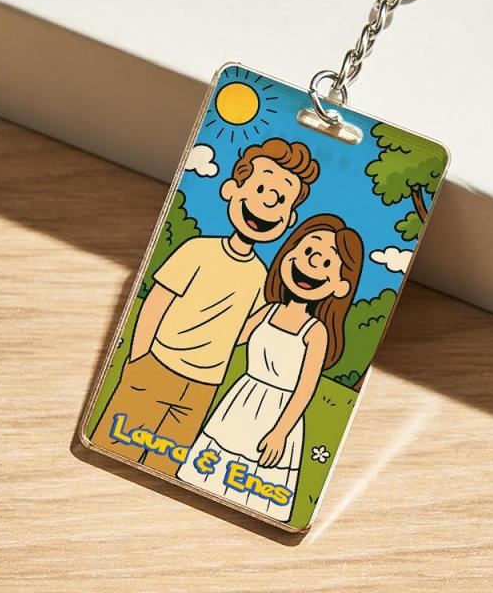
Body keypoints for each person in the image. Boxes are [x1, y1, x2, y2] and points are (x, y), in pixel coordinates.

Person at [90, 138, 319, 475]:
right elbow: (156, 302)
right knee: (115, 444)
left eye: (280, 199)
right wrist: (138, 359)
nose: (268, 203)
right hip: (158, 366)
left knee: (166, 466)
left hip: (204, 387)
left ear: (289, 219)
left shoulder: (261, 275)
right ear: (231, 190)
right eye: (260, 189)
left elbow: (245, 332)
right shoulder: (198, 250)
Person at [177, 214, 363, 521]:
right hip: (241, 401)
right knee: (211, 467)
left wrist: (280, 432)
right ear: (288, 253)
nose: (312, 263)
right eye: (308, 251)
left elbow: (305, 389)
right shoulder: (269, 311)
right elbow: (233, 337)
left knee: (256, 478)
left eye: (327, 263)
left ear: (340, 286)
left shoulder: (315, 332)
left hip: (278, 412)